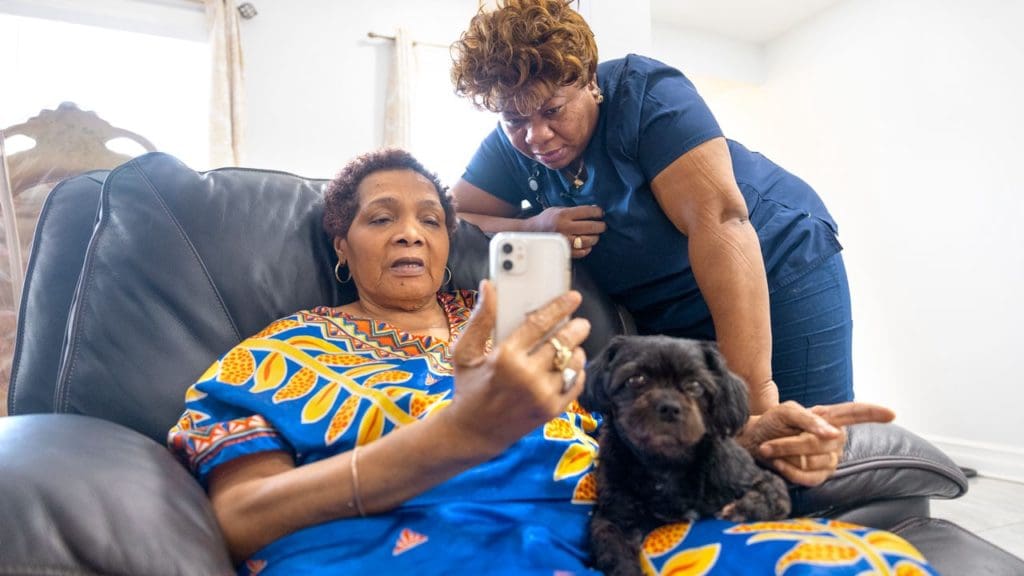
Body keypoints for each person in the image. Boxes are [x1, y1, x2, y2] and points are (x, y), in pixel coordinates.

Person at [167, 149, 920, 575]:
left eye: (431, 218)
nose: (411, 234)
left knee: (870, 562)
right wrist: (457, 436)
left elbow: (629, 439)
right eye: (381, 218)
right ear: (341, 244)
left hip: (622, 532)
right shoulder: (281, 351)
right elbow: (237, 518)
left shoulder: (520, 327)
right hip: (419, 549)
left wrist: (751, 438)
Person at [450, 0, 851, 415]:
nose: (536, 136)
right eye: (514, 120)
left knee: (798, 445)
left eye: (553, 111)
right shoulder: (511, 143)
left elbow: (721, 223)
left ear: (589, 80)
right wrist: (533, 226)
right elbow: (450, 217)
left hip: (774, 266)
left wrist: (750, 399)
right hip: (668, 309)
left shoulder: (646, 95)